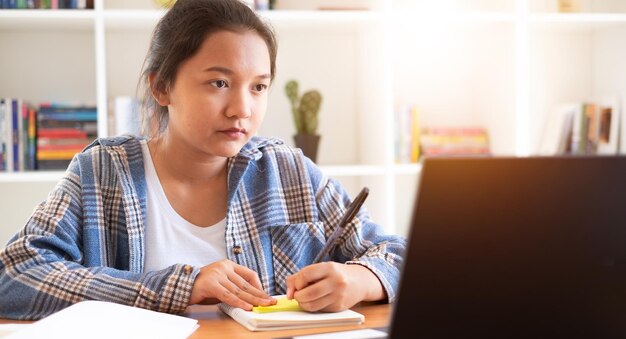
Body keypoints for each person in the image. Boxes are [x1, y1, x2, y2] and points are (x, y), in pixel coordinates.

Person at [0, 0, 406, 320]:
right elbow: (13, 277)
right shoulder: (103, 174)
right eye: (219, 83)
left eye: (259, 86)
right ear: (162, 87)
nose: (241, 109)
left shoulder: (289, 171)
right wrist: (182, 286)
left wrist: (361, 278)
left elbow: (400, 254)